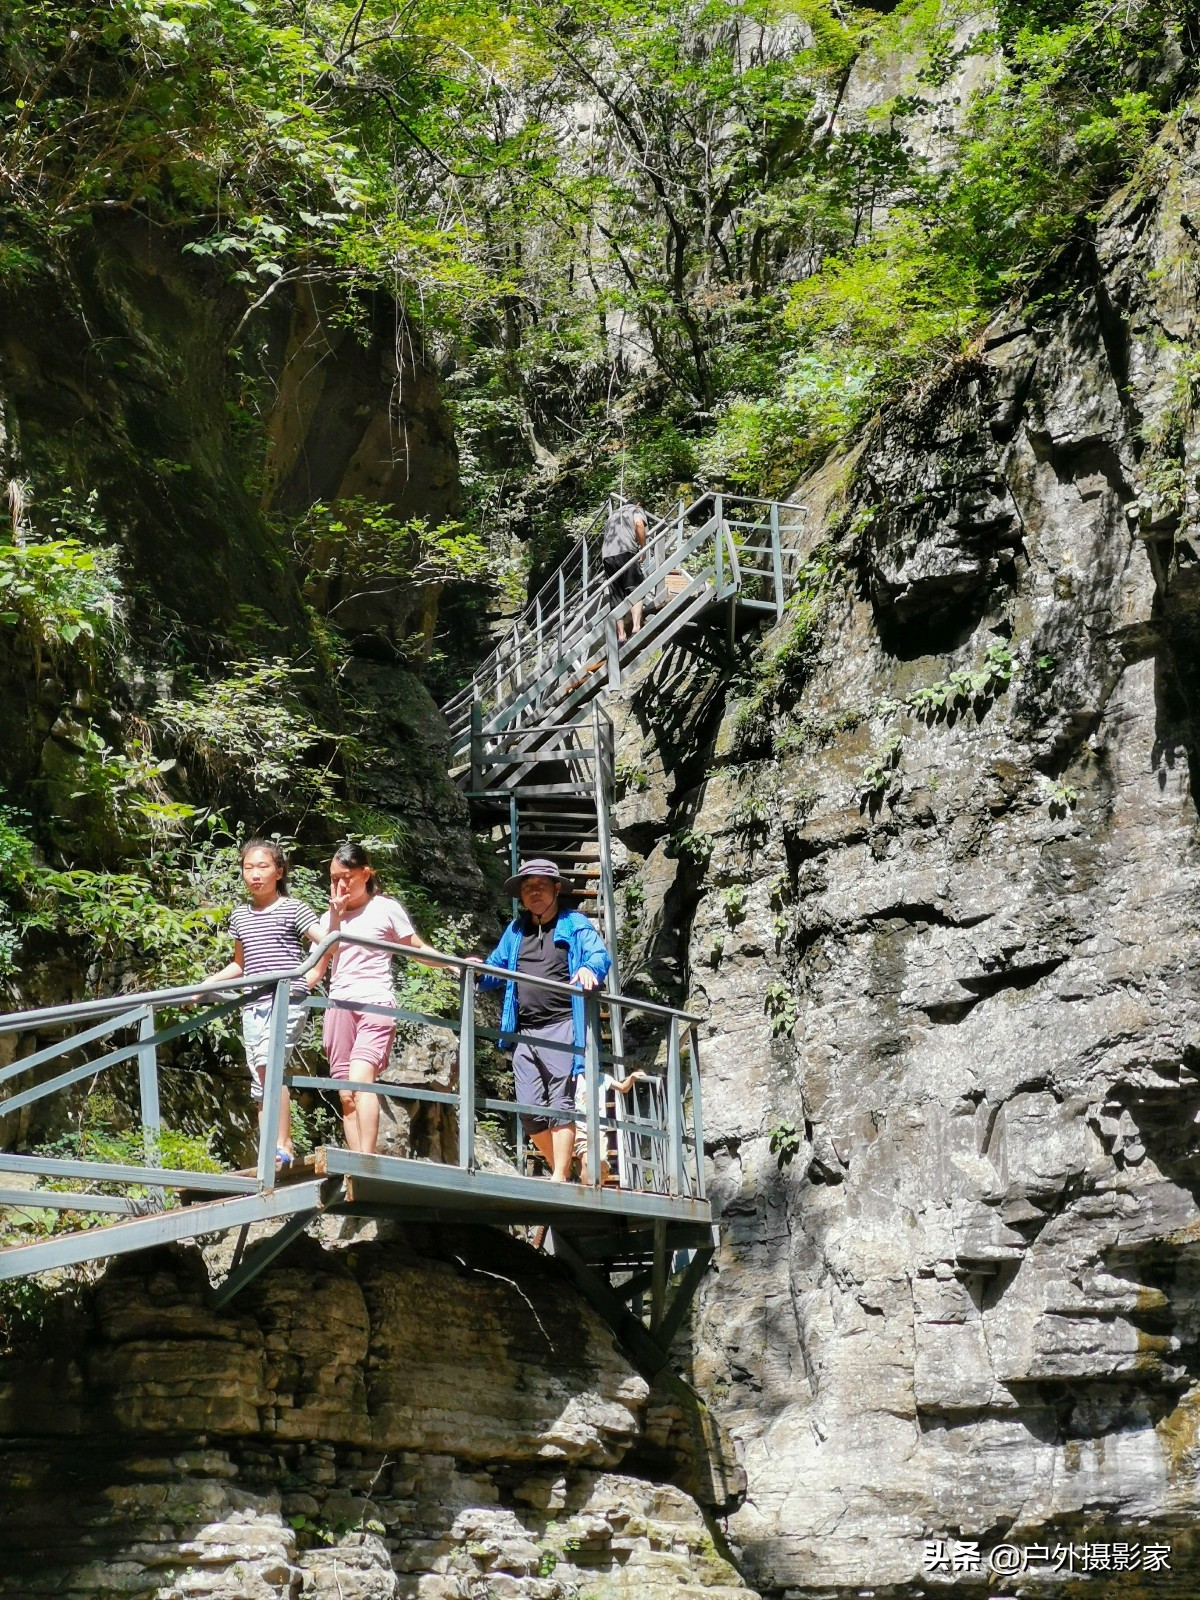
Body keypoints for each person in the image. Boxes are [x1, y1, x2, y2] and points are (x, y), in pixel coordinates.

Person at [479, 858, 612, 1182]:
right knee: (530, 1113)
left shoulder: (575, 924)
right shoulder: (516, 930)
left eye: (540, 886)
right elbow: (494, 968)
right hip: (525, 1031)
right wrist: (476, 972)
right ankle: (563, 1172)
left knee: (560, 1103)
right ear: (521, 896)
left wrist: (588, 970)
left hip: (563, 1025)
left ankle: (560, 1177)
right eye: (527, 888)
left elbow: (599, 956)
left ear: (556, 889)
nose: (534, 892)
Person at [311, 843, 437, 1155]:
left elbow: (416, 947)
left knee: (360, 1080)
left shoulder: (385, 908)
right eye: (334, 878)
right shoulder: (330, 916)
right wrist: (336, 915)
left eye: (346, 877)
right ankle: (357, 1161)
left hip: (375, 1003)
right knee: (345, 1093)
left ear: (366, 874)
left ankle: (366, 1160)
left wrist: (455, 964)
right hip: (338, 1004)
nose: (340, 885)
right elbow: (325, 958)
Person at [207, 840, 324, 1170]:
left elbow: (327, 941)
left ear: (279, 871)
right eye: (248, 868)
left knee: (268, 1066)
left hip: (287, 999)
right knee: (260, 1075)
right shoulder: (240, 916)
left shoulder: (294, 908)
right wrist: (205, 986)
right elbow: (239, 965)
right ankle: (269, 1152)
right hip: (253, 1001)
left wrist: (312, 974)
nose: (255, 874)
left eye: (263, 867)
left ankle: (283, 1144)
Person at [601, 499, 647, 643]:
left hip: (607, 555)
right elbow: (639, 524)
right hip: (626, 552)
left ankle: (621, 636)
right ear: (638, 503)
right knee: (635, 589)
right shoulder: (635, 509)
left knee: (616, 594)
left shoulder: (613, 514)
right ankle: (636, 626)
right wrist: (643, 547)